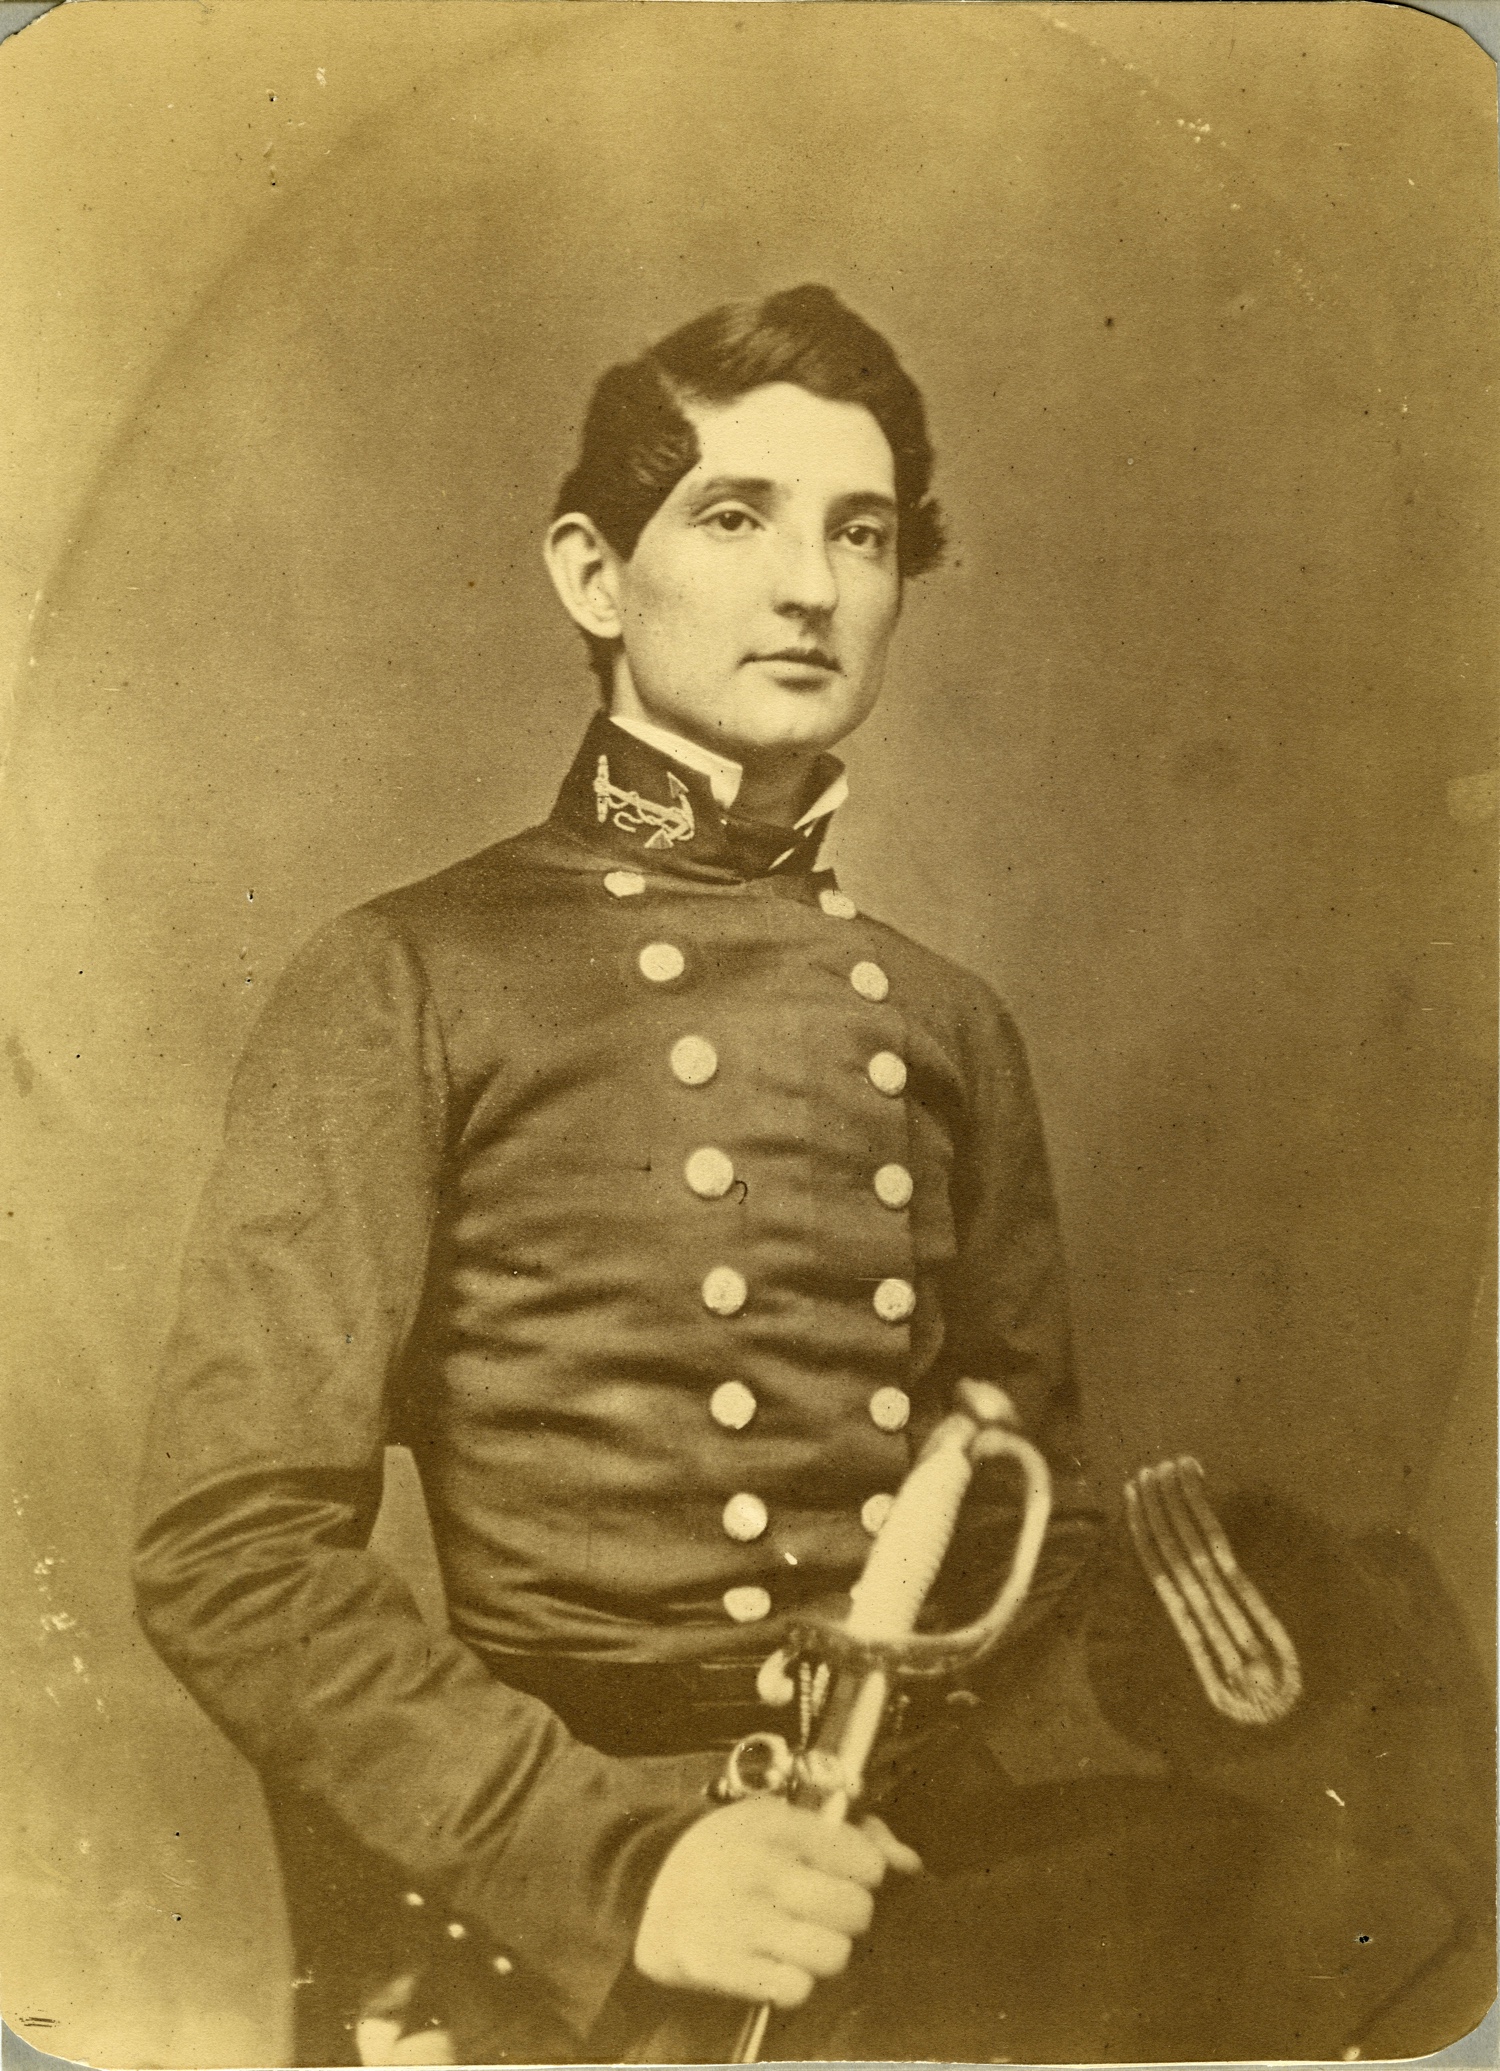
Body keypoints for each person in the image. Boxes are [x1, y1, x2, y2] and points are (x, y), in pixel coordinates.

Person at [133, 285, 1491, 2067]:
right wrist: (621, 1869)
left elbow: (1023, 1532)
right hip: (573, 1910)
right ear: (593, 576)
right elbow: (231, 1552)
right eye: (735, 516)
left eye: (861, 534)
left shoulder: (945, 1020)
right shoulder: (406, 978)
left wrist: (1215, 1659)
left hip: (892, 1864)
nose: (810, 587)